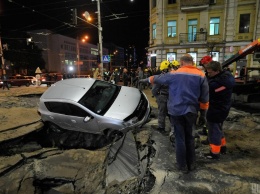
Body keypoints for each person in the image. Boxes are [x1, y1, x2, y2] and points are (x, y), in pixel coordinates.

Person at [139, 54, 209, 173]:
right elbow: (205, 97)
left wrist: (144, 80)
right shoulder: (201, 75)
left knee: (180, 138)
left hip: (176, 111)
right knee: (190, 137)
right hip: (192, 111)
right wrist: (203, 114)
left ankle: (182, 166)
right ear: (192, 62)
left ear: (181, 63)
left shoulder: (174, 74)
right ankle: (191, 164)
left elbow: (157, 78)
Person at [203, 61, 235, 159]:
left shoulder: (220, 83)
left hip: (218, 109)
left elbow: (211, 90)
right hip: (222, 107)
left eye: (210, 72)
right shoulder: (225, 78)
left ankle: (214, 153)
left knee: (214, 130)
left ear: (217, 71)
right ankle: (222, 147)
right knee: (218, 128)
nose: (208, 74)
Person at [151, 60, 171, 135]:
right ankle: (170, 129)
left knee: (162, 113)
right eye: (169, 68)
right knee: (168, 113)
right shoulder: (172, 77)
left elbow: (154, 90)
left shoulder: (161, 78)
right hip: (168, 98)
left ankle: (161, 128)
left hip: (164, 97)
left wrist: (158, 97)